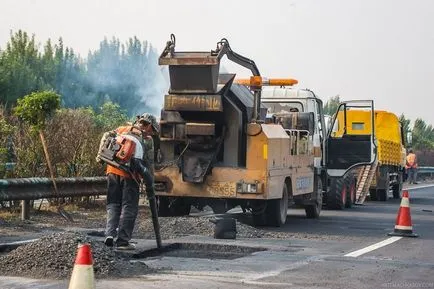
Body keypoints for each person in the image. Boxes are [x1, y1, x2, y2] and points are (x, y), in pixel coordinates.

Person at [103, 113, 158, 250]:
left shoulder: (122, 129)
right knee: (129, 207)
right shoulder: (147, 140)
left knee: (113, 204)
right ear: (149, 126)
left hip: (112, 171)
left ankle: (109, 235)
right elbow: (149, 164)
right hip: (130, 176)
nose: (152, 132)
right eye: (153, 129)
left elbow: (106, 137)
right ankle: (122, 241)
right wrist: (150, 182)